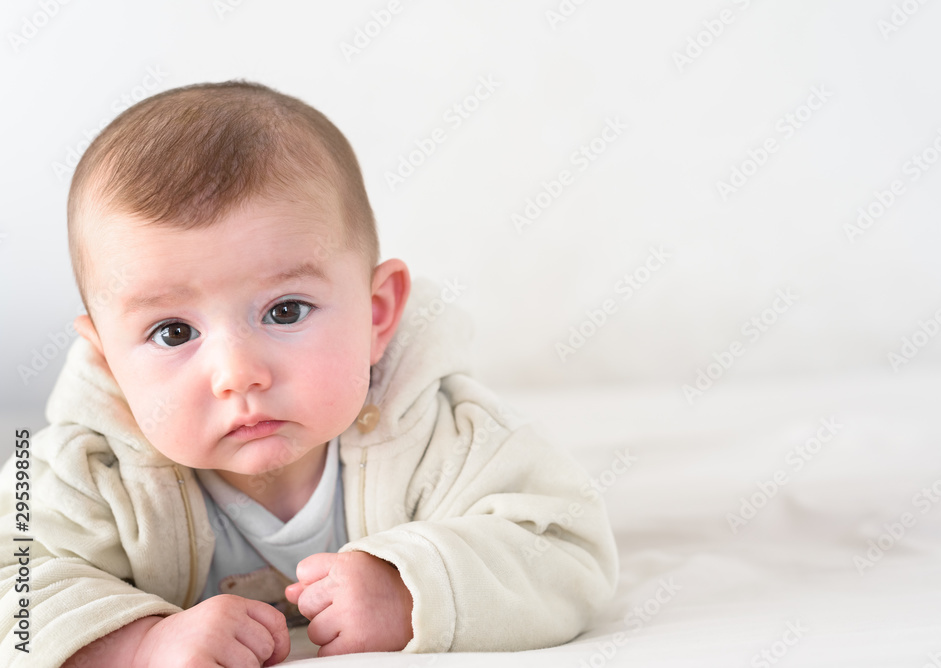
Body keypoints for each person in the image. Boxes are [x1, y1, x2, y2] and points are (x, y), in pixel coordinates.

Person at [0, 80, 618, 668]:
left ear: (376, 315)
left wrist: (409, 591)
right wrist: (139, 645)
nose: (238, 375)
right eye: (174, 332)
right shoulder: (84, 471)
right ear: (108, 358)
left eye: (285, 311)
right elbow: (13, 585)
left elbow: (568, 549)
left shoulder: (442, 434)